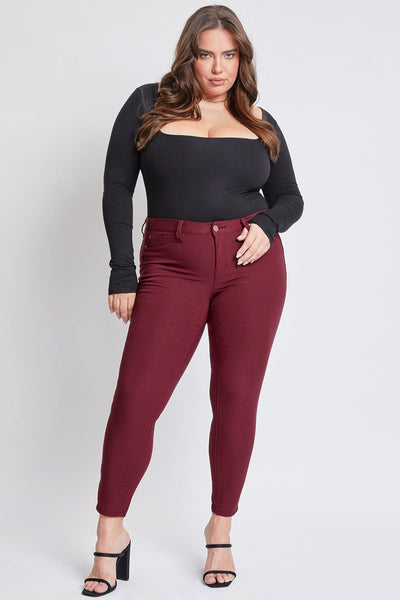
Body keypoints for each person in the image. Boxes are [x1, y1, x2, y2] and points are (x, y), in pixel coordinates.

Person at [82, 4, 304, 596]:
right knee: (136, 399)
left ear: (241, 59)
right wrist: (122, 271)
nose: (218, 67)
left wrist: (268, 225)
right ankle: (110, 533)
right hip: (170, 263)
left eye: (229, 55)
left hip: (250, 268)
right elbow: (116, 185)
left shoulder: (259, 120)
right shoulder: (147, 104)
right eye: (207, 54)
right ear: (189, 56)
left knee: (235, 400)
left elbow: (290, 196)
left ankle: (220, 529)